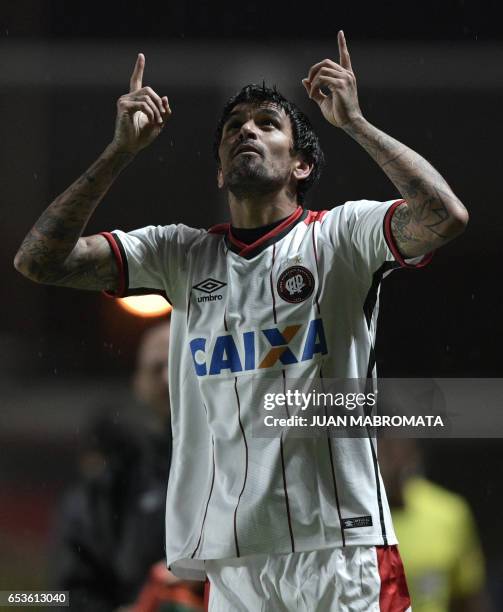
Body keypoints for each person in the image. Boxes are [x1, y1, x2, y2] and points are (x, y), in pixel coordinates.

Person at [15, 31, 468, 610]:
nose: (246, 131)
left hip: (338, 549)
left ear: (302, 164)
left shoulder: (340, 237)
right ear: (221, 175)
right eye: (234, 127)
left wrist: (355, 123)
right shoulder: (179, 255)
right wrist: (118, 153)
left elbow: (444, 216)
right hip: (233, 563)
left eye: (266, 123)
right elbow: (39, 261)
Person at [51, 322, 204, 611]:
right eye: (155, 368)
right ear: (138, 384)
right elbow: (59, 596)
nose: (166, 378)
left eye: (177, 364)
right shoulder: (107, 486)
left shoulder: (252, 468)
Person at [379, 439, 491, 612]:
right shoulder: (346, 522)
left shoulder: (448, 512)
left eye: (392, 448)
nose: (388, 459)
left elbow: (469, 596)